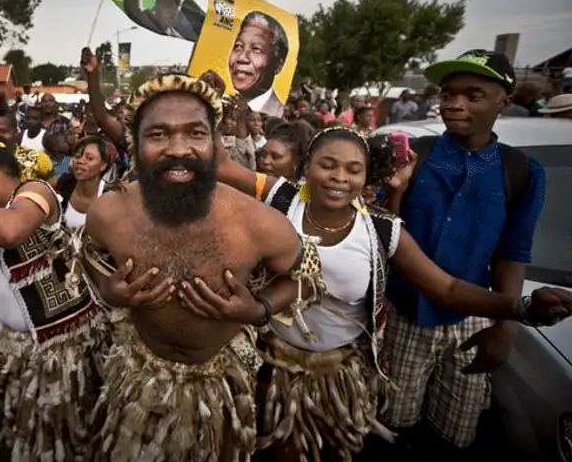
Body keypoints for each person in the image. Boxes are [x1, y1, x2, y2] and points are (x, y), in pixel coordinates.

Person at [213, 125, 571, 461]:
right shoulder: (281, 196)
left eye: (353, 169)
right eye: (328, 165)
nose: (340, 178)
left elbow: (446, 287)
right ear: (308, 167)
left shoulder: (382, 230)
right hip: (268, 368)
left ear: (366, 177)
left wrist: (519, 308)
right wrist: (200, 103)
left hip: (338, 380)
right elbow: (221, 164)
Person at [81, 75, 324, 460]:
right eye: (158, 135)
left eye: (195, 133)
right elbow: (90, 258)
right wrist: (109, 291)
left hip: (220, 386)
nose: (178, 150)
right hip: (137, 375)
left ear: (215, 142)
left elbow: (308, 279)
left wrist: (257, 309)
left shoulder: (257, 221)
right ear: (135, 143)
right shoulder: (109, 211)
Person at [382, 49, 547, 456]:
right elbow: (383, 231)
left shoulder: (521, 171)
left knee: (455, 435)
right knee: (390, 427)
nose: (454, 104)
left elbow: (512, 252)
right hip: (406, 315)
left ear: (503, 104)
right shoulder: (415, 155)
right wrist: (397, 190)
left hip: (471, 321)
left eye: (473, 96)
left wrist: (504, 329)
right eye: (447, 94)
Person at [0, 144, 106, 461]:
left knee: (60, 428)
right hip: (14, 341)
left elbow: (11, 231)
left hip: (56, 345)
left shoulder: (33, 190)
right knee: (28, 425)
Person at [228, 11, 289, 118]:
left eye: (256, 49)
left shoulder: (278, 116)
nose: (241, 57)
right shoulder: (224, 103)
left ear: (279, 64)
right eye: (238, 46)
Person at [55, 136, 113, 230]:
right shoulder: (64, 183)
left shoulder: (108, 197)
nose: (80, 161)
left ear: (103, 165)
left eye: (89, 158)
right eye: (78, 156)